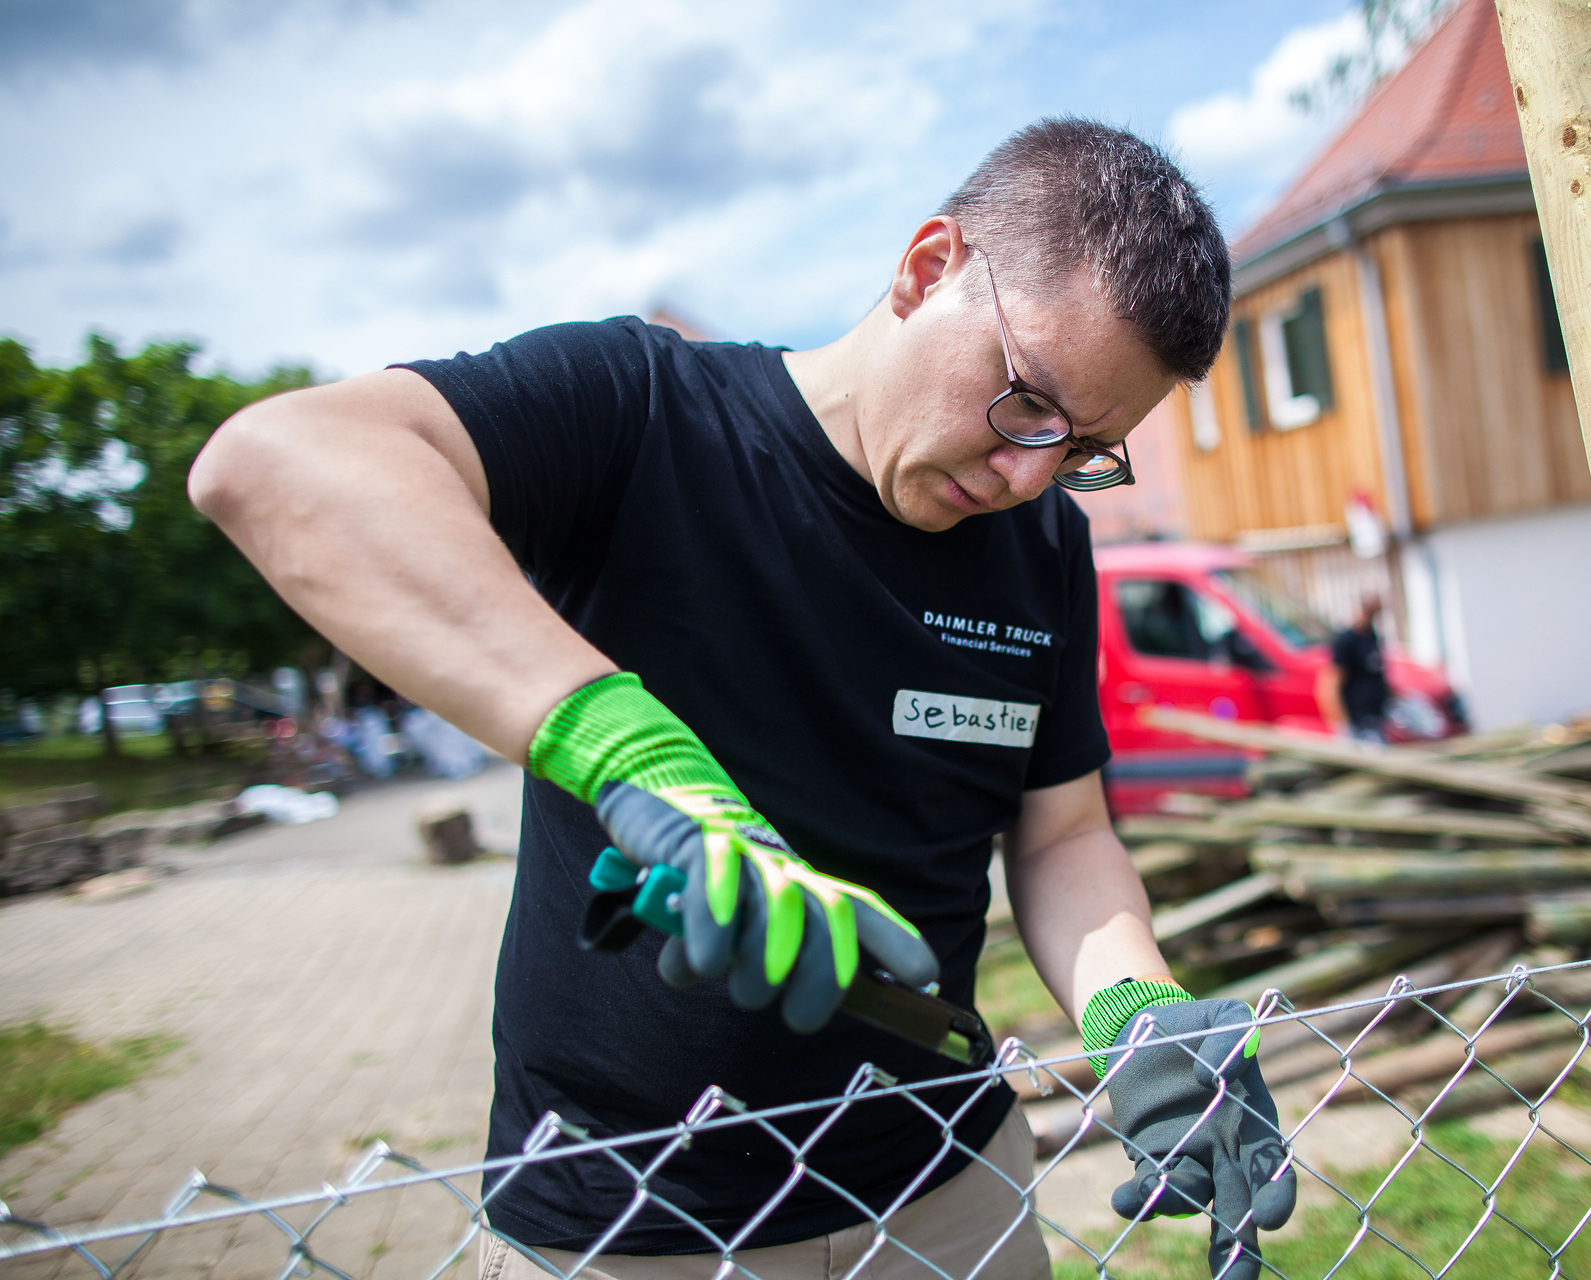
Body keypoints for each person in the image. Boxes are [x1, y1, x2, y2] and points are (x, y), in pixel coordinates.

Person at [190, 118, 1294, 1279]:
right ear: (929, 268)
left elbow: (1064, 832)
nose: (1030, 473)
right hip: (628, 1221)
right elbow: (274, 461)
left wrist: (1137, 1013)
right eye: (1027, 401)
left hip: (949, 1188)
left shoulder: (1041, 544)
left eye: (1084, 449)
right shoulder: (643, 412)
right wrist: (639, 764)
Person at [1320, 594, 1391, 742]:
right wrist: (1341, 723)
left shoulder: (1372, 636)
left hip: (1375, 717)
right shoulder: (1346, 640)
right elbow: (1331, 683)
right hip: (1356, 720)